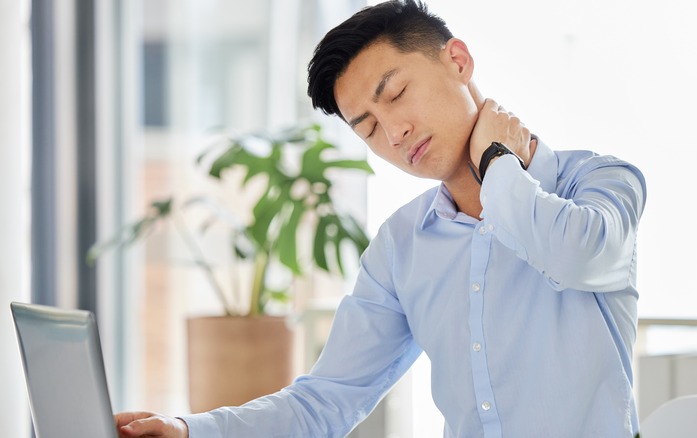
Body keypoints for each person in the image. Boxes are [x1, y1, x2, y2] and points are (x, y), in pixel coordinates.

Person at [115, 1, 646, 436]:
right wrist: (190, 431)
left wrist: (497, 163)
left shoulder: (600, 182)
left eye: (395, 94)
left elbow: (575, 255)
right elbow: (326, 400)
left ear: (457, 61)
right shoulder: (402, 245)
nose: (393, 134)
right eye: (367, 127)